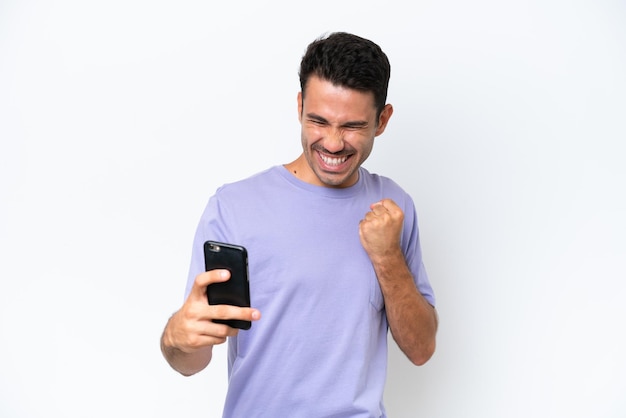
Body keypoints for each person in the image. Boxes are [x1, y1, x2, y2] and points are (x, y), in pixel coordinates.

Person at [160, 31, 438, 417]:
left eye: (353, 126)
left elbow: (421, 349)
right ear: (299, 106)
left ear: (382, 119)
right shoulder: (235, 207)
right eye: (318, 121)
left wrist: (387, 255)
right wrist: (176, 338)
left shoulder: (393, 208)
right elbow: (190, 359)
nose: (333, 143)